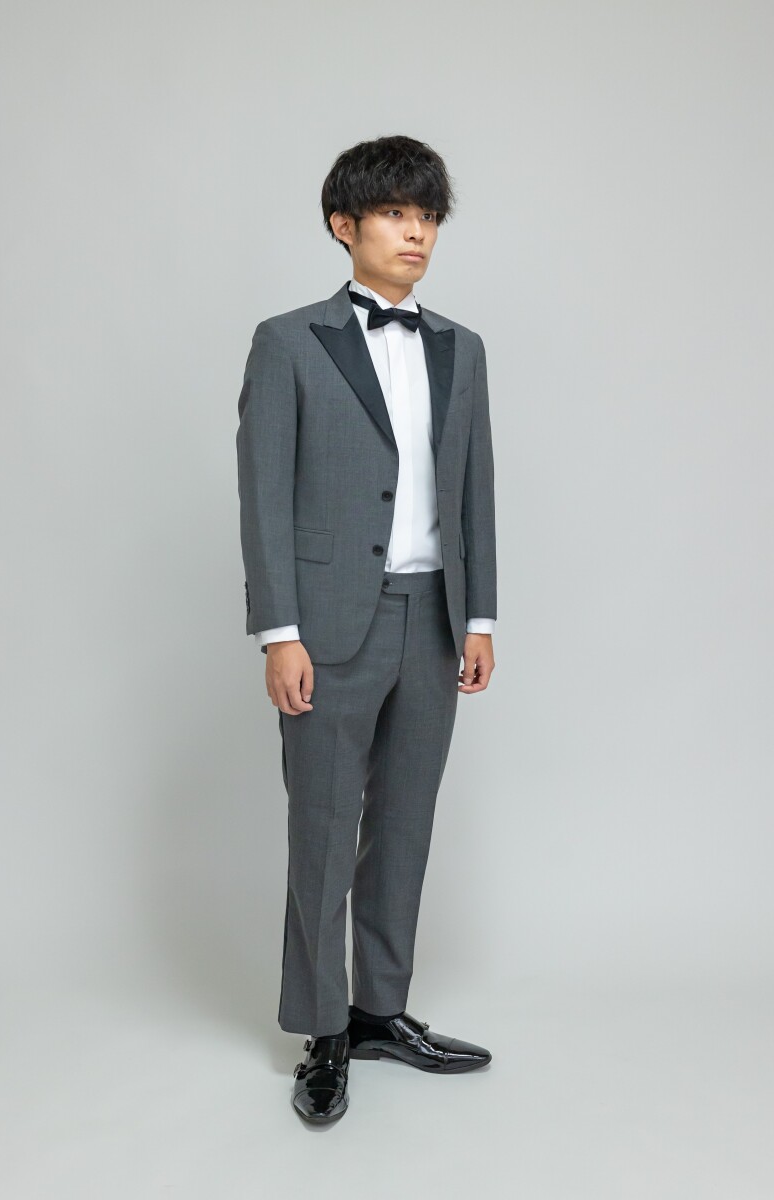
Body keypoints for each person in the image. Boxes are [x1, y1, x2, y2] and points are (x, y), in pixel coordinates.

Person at [235, 134, 497, 1123]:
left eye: (426, 216)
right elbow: (263, 496)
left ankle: (380, 1012)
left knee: (404, 826)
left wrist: (478, 616)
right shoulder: (287, 342)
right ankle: (322, 1031)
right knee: (321, 827)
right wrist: (279, 632)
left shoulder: (462, 349)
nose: (415, 232)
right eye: (394, 213)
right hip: (327, 627)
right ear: (343, 226)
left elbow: (473, 491)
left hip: (433, 620)